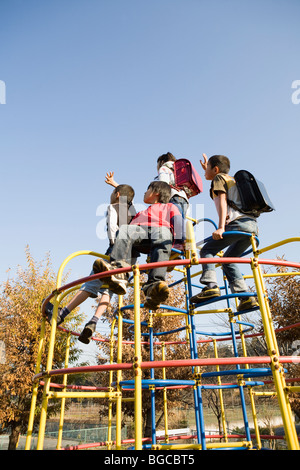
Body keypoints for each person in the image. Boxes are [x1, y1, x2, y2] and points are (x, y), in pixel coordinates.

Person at [45, 181, 136, 344]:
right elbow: (129, 200)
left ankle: (62, 313)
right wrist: (117, 186)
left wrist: (114, 245)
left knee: (90, 284)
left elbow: (112, 228)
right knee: (109, 290)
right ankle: (93, 321)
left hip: (115, 252)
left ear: (116, 195)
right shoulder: (132, 211)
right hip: (130, 258)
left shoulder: (113, 207)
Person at [93, 180, 185, 310]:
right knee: (125, 229)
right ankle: (119, 272)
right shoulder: (141, 213)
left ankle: (155, 285)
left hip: (160, 232)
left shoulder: (170, 207)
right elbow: (127, 209)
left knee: (163, 233)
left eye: (148, 190)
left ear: (156, 193)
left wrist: (181, 242)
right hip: (141, 235)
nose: (144, 192)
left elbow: (178, 222)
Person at [189, 153, 259, 312]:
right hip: (251, 227)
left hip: (237, 225)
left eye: (207, 169)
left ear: (215, 169)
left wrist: (221, 227)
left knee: (207, 250)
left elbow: (222, 200)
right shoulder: (234, 180)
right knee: (228, 260)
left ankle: (211, 286)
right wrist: (208, 170)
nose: (204, 171)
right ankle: (246, 297)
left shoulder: (218, 179)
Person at [156, 152, 189, 218]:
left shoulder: (164, 168)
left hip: (173, 198)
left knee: (172, 224)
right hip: (185, 200)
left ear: (162, 161)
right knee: (180, 225)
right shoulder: (179, 169)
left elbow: (163, 185)